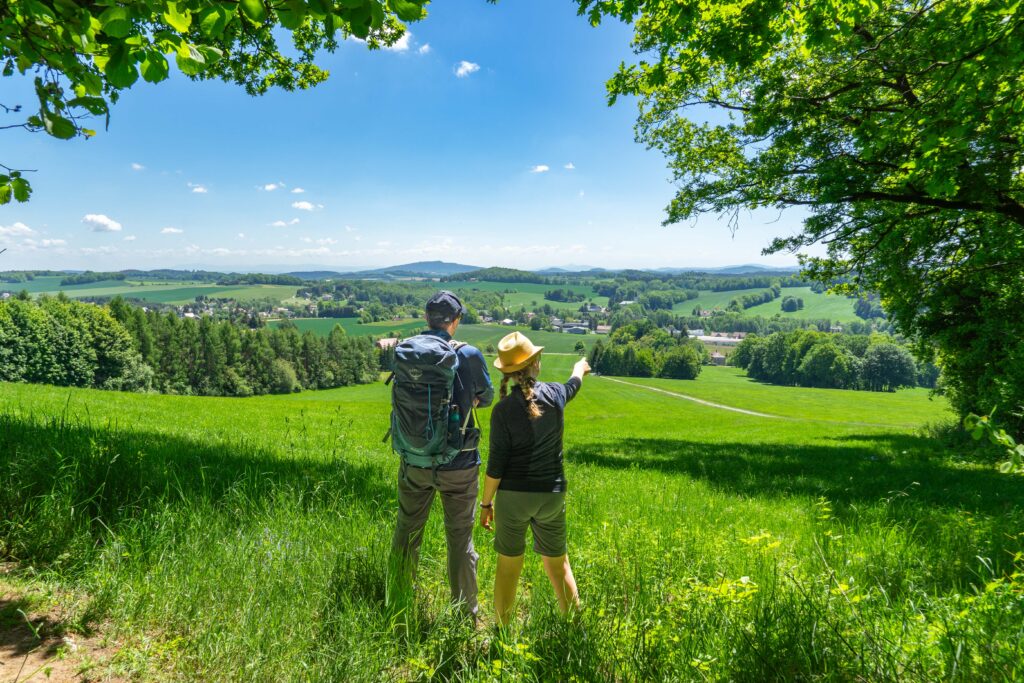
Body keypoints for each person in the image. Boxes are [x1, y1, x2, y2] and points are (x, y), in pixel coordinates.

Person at [390, 291, 494, 620]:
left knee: (407, 531)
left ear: (426, 319)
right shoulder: (470, 355)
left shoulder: (406, 351)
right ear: (456, 321)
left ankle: (398, 600)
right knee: (460, 539)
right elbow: (487, 396)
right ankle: (466, 614)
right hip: (459, 464)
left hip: (413, 459)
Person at [479, 331, 590, 626]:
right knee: (558, 565)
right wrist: (581, 367)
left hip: (513, 499)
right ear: (536, 363)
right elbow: (574, 384)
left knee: (508, 569)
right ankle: (574, 630)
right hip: (551, 496)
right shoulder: (555, 395)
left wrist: (485, 504)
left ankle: (503, 635)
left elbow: (496, 467)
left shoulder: (502, 410)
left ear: (509, 373)